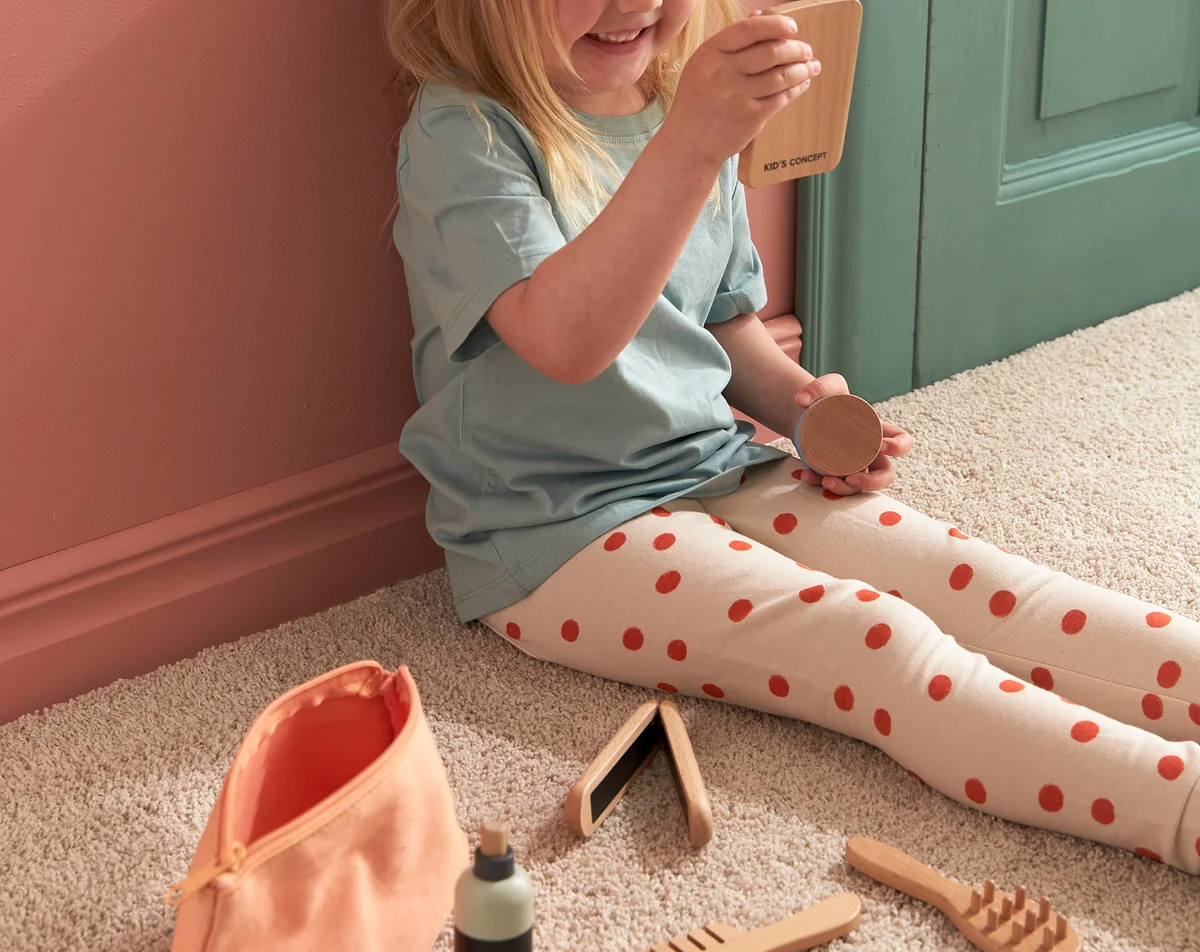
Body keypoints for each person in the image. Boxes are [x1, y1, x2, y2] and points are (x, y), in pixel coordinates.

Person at [385, 0, 1200, 872]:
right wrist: (691, 145)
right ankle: (1178, 808)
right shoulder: (464, 132)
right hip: (554, 532)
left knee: (984, 584)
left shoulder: (677, 100)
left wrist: (805, 411)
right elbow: (568, 343)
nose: (632, 4)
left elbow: (721, 320)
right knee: (872, 640)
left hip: (714, 463)